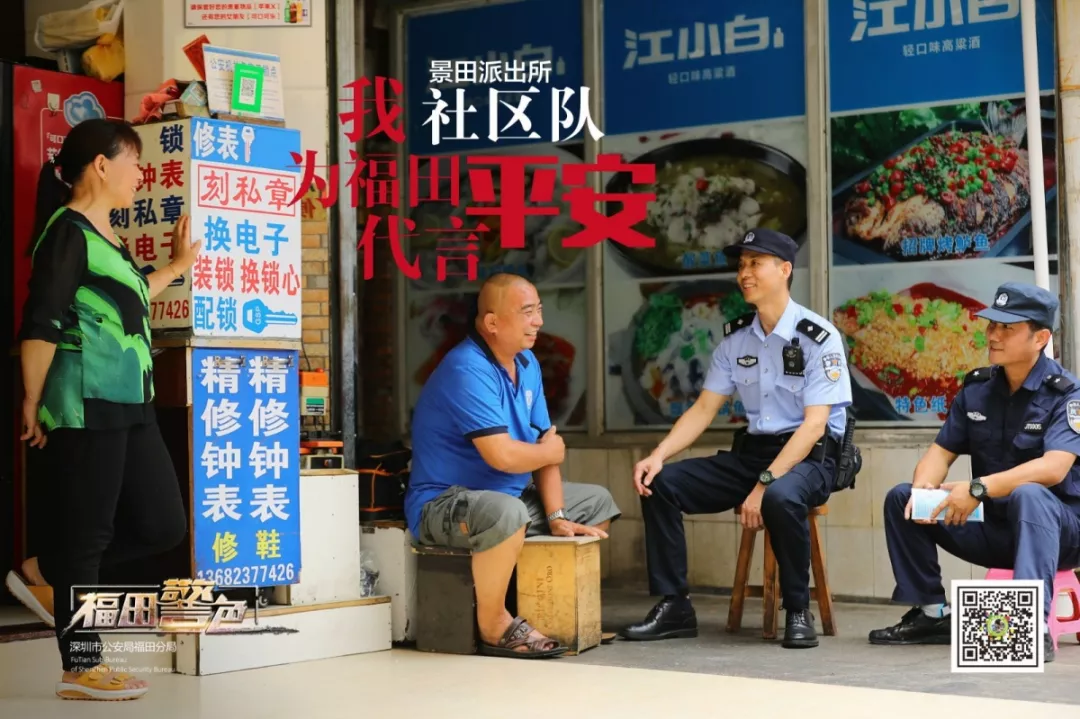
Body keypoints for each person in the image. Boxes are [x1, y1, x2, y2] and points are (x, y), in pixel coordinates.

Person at [3, 118, 201, 700]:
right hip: (85, 400)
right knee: (88, 536)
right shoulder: (67, 233)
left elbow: (130, 295)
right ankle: (81, 667)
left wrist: (177, 267)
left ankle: (48, 569)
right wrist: (32, 400)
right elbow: (42, 321)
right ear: (101, 165)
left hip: (131, 400)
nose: (141, 174)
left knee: (164, 525)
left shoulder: (107, 238)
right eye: (134, 162)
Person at [620, 228, 853, 649]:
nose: (744, 273)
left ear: (784, 270)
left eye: (755, 263)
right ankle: (675, 606)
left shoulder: (819, 337)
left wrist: (763, 485)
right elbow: (703, 409)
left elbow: (814, 426)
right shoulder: (736, 339)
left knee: (781, 496)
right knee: (661, 484)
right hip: (754, 454)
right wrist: (658, 455)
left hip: (811, 459)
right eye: (741, 265)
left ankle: (797, 610)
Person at [405, 273, 621, 658]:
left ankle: (547, 608)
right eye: (527, 312)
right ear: (492, 322)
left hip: (509, 500)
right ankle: (494, 624)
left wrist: (557, 516)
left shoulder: (527, 362)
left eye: (539, 310)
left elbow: (543, 442)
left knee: (596, 503)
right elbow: (503, 455)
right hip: (444, 505)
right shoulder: (466, 368)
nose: (538, 321)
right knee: (507, 512)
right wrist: (550, 452)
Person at [869, 282, 1080, 664]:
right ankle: (932, 614)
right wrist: (925, 487)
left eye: (1007, 328)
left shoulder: (1067, 394)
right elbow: (940, 452)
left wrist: (978, 488)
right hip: (995, 529)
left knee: (1030, 494)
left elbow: (1053, 468)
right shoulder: (977, 389)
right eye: (992, 325)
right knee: (903, 498)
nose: (993, 335)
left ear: (1040, 338)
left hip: (1058, 535)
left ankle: (1029, 625)